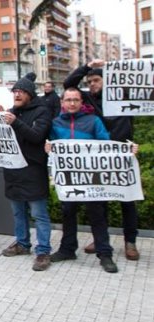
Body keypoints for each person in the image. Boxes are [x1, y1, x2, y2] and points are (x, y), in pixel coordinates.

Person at [64, 59, 140, 261]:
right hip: (99, 157)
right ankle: (100, 239)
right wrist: (87, 67)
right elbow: (68, 84)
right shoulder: (89, 99)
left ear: (108, 81)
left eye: (96, 80)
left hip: (123, 154)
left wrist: (115, 69)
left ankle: (130, 241)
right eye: (90, 81)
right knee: (100, 200)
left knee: (127, 200)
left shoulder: (123, 97)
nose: (92, 84)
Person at [46, 87, 118, 273]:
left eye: (75, 100)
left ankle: (104, 253)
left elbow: (106, 146)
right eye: (68, 100)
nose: (71, 103)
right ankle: (67, 249)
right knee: (68, 213)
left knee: (97, 214)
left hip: (92, 177)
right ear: (62, 102)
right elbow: (53, 147)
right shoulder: (55, 123)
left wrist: (126, 152)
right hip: (68, 178)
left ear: (81, 102)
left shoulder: (93, 121)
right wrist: (49, 149)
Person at [1, 73, 54, 271]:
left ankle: (43, 251)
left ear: (30, 94)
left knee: (39, 213)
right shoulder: (10, 112)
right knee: (18, 212)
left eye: (21, 92)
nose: (17, 95)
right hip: (13, 171)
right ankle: (22, 244)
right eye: (15, 91)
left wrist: (15, 122)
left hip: (33, 170)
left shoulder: (42, 112)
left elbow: (36, 136)